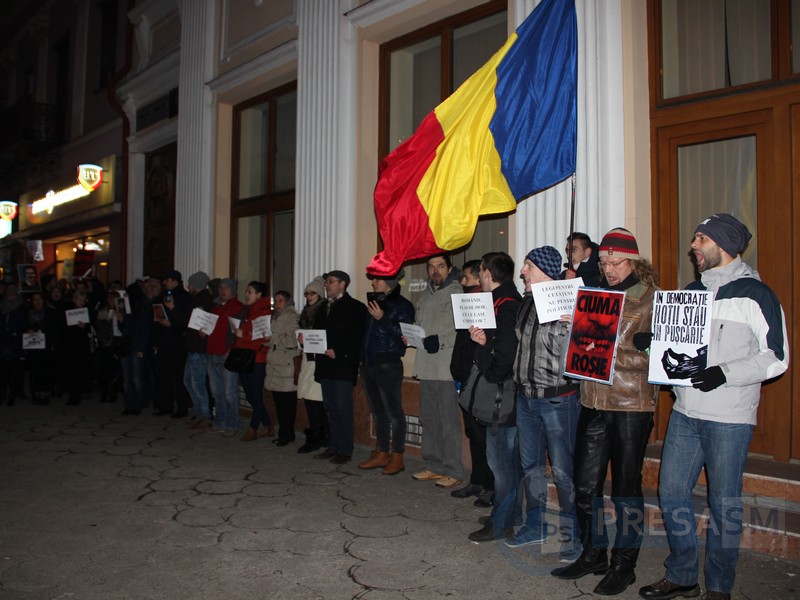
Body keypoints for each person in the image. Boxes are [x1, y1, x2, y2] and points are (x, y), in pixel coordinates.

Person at [639, 214, 789, 600]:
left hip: (729, 419)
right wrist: (655, 346)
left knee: (724, 505)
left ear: (724, 245)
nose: (693, 246)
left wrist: (724, 373)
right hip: (686, 413)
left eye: (701, 238)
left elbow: (777, 357)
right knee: (671, 493)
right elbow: (681, 355)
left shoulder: (757, 295)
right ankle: (683, 574)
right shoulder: (691, 292)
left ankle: (719, 587)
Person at [552, 228, 659, 596]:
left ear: (634, 260)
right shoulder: (593, 293)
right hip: (593, 401)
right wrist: (574, 330)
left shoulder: (651, 299)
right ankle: (594, 552)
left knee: (627, 489)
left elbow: (665, 358)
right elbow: (585, 351)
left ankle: (623, 565)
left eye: (616, 262)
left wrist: (640, 346)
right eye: (604, 262)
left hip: (632, 403)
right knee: (585, 486)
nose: (609, 268)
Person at [510, 246, 582, 561]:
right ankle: (535, 526)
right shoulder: (525, 305)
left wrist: (576, 327)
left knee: (565, 472)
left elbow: (591, 349)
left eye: (528, 266)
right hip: (525, 399)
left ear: (545, 271)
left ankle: (573, 537)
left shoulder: (573, 303)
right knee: (531, 468)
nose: (523, 272)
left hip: (559, 401)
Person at [464, 252, 522, 543]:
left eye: (481, 271)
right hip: (506, 394)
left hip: (503, 397)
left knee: (500, 463)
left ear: (488, 273)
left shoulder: (507, 305)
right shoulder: (501, 301)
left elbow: (505, 356)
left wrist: (486, 358)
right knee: (506, 462)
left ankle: (502, 522)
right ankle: (509, 513)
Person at [410, 254, 464, 488]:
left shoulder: (457, 293)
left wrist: (438, 340)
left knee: (448, 422)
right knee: (429, 419)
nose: (435, 271)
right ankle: (434, 465)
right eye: (431, 267)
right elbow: (421, 328)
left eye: (440, 266)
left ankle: (453, 469)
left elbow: (461, 329)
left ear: (449, 268)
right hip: (425, 367)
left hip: (445, 368)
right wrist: (411, 335)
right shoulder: (424, 296)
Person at [357, 268, 414, 475]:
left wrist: (382, 318)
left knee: (394, 413)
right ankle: (381, 452)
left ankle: (397, 456)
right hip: (369, 364)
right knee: (379, 412)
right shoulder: (374, 302)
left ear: (389, 282)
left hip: (388, 365)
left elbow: (405, 336)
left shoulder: (403, 305)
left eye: (377, 279)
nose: (373, 282)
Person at [449, 260, 495, 507]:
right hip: (465, 377)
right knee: (473, 434)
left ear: (480, 278)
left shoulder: (485, 304)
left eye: (467, 278)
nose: (463, 282)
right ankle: (477, 480)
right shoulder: (466, 303)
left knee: (483, 436)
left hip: (478, 378)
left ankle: (489, 486)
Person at [311, 270, 367, 464]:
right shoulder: (323, 307)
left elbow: (357, 338)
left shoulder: (355, 307)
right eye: (326, 282)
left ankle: (345, 449)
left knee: (343, 409)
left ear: (342, 284)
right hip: (326, 365)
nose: (327, 285)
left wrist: (340, 351)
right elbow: (318, 333)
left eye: (330, 282)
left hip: (342, 366)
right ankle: (334, 445)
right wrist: (307, 339)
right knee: (331, 407)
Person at [234, 281, 273, 441]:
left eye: (249, 292)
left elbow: (263, 339)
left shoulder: (265, 314)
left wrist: (243, 335)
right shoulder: (248, 311)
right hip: (244, 356)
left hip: (257, 358)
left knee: (255, 395)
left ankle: (253, 427)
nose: (246, 294)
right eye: (246, 291)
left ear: (258, 295)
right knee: (250, 395)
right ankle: (268, 425)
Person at [296, 276, 329, 454]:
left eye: (312, 293)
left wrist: (309, 339)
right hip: (307, 358)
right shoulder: (305, 313)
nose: (309, 296)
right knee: (310, 399)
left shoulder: (323, 311)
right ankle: (318, 432)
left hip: (318, 360)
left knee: (315, 399)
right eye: (307, 293)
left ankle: (319, 434)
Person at [207, 278, 244, 433]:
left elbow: (240, 333)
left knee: (229, 393)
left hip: (226, 354)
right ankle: (220, 421)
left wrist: (232, 349)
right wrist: (203, 332)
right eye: (221, 288)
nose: (222, 291)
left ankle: (232, 423)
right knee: (217, 392)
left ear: (232, 290)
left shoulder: (238, 307)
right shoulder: (214, 307)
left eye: (226, 288)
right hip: (212, 353)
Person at [264, 290, 301, 446]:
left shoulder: (292, 316)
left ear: (287, 302)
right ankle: (283, 433)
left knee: (287, 402)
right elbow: (275, 338)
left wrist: (272, 337)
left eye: (280, 300)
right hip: (275, 364)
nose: (277, 303)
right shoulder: (274, 316)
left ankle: (287, 433)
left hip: (286, 364)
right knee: (279, 402)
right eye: (276, 300)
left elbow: (293, 340)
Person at [153, 270, 191, 418]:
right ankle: (166, 405)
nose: (164, 283)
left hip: (178, 342)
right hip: (164, 341)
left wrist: (171, 323)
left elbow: (185, 320)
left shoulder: (184, 297)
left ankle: (182, 408)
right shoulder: (164, 295)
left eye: (166, 280)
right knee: (165, 376)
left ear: (174, 281)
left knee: (179, 377)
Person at [184, 271, 214, 428]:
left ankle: (204, 415)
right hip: (193, 347)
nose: (188, 286)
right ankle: (199, 412)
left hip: (198, 349)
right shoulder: (197, 299)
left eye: (190, 284)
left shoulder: (202, 300)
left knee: (197, 383)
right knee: (189, 381)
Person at [59, 289, 95, 405]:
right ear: (74, 299)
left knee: (80, 370)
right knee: (71, 370)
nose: (82, 303)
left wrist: (84, 327)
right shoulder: (67, 309)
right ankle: (72, 393)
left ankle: (78, 394)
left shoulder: (87, 310)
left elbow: (90, 327)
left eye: (83, 301)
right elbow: (62, 326)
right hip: (70, 344)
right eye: (80, 300)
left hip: (81, 345)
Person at [25, 291, 57, 405]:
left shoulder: (50, 312)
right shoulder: (28, 313)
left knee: (45, 370)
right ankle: (36, 394)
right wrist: (28, 330)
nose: (38, 301)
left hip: (46, 345)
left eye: (39, 299)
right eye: (35, 299)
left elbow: (54, 328)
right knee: (34, 370)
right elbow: (23, 327)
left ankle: (45, 394)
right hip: (33, 346)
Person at [0, 285, 29, 404]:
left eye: (13, 295)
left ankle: (13, 395)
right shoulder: (2, 307)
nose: (11, 297)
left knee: (16, 372)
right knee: (3, 372)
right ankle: (2, 394)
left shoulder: (22, 308)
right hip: (4, 343)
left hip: (17, 343)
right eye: (9, 295)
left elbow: (24, 324)